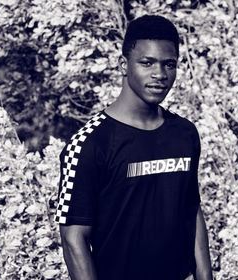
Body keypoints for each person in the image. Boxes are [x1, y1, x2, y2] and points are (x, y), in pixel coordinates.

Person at [55, 15, 213, 280]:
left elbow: (191, 210)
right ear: (123, 65)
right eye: (147, 62)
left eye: (169, 64)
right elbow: (73, 239)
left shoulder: (184, 134)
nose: (160, 75)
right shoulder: (89, 144)